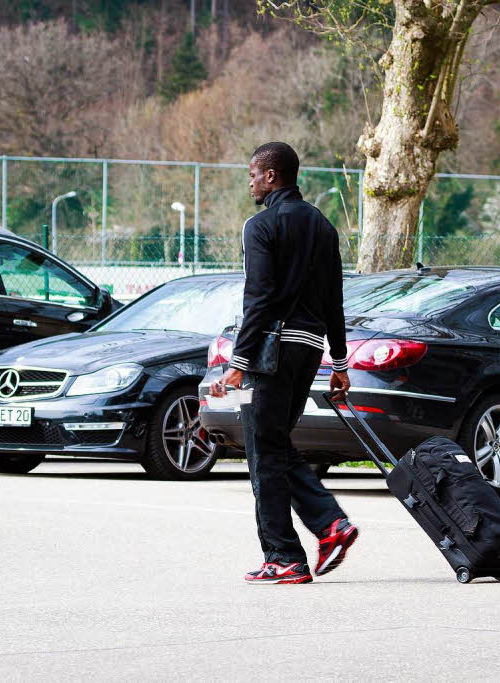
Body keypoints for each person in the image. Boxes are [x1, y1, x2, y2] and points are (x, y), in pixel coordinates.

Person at [210, 142, 357, 585]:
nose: (250, 181)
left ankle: (284, 556)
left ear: (271, 176)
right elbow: (334, 302)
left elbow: (258, 299)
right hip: (309, 350)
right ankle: (330, 524)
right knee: (275, 445)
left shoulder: (260, 225)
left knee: (263, 453)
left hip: (270, 353)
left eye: (253, 173)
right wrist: (339, 362)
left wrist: (239, 361)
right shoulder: (324, 227)